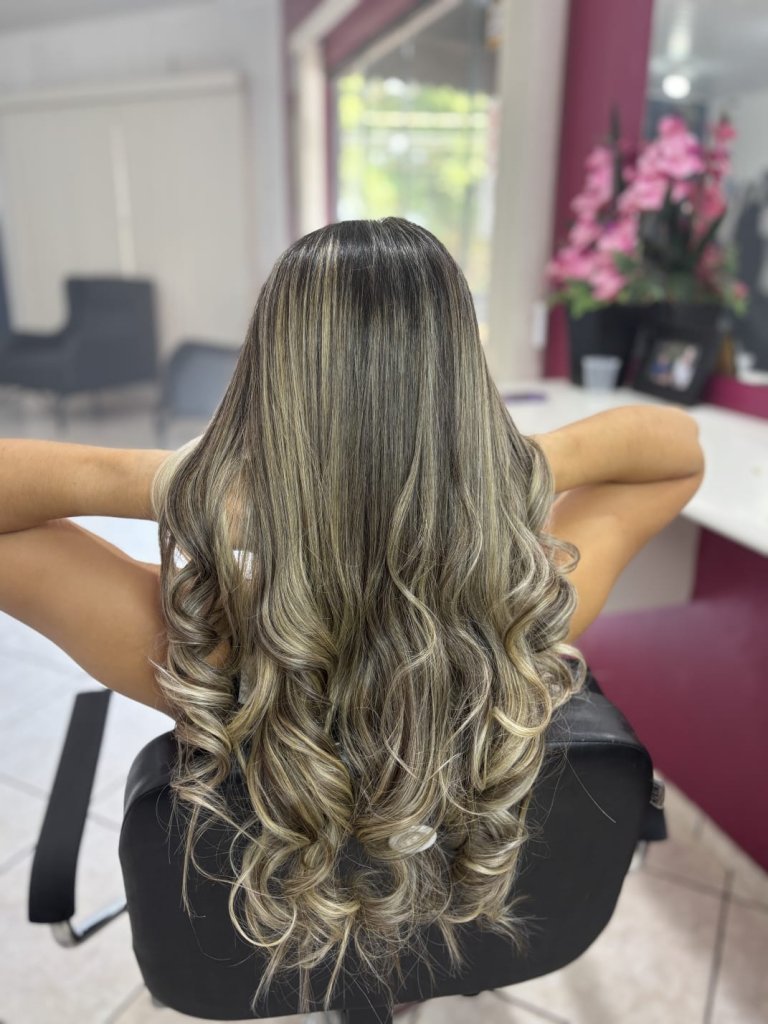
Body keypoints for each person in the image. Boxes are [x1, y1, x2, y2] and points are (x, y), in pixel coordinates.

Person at [0, 217, 705, 1017]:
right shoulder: (530, 612)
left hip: (273, 946)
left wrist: (189, 484)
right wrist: (505, 472)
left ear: (268, 384)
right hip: (458, 920)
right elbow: (676, 452)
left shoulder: (195, 649)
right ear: (464, 386)